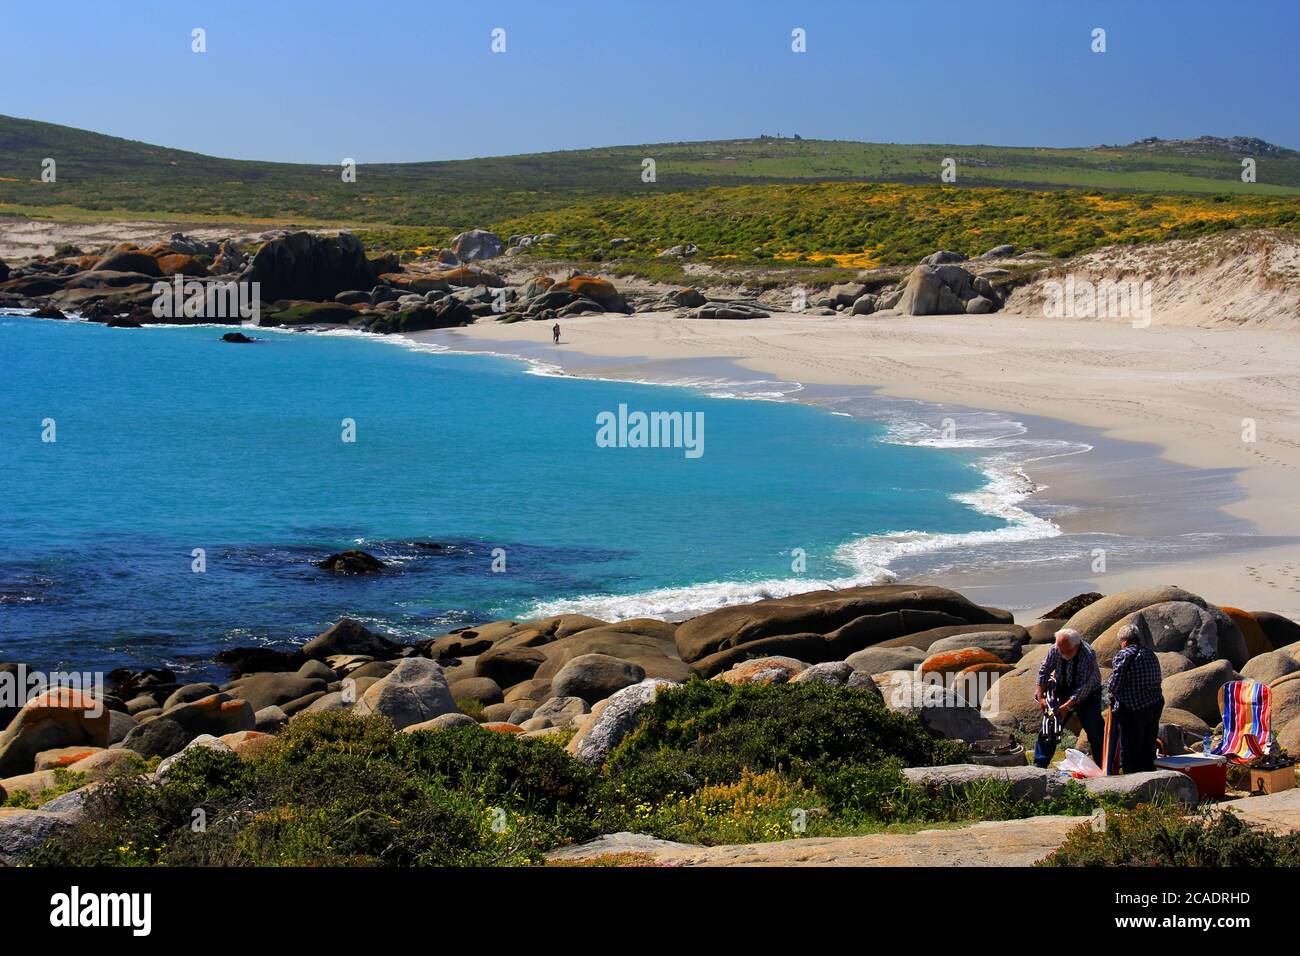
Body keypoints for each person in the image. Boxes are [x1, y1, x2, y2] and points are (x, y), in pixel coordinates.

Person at [1033, 628, 1106, 769]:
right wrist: (1041, 697)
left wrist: (1066, 707)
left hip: (1088, 694)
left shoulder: (1088, 655)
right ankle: (1039, 763)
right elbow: (1044, 671)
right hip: (1063, 688)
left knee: (1094, 730)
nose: (1060, 653)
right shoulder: (1056, 649)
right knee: (1049, 726)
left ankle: (1103, 766)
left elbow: (1084, 687)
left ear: (1076, 646)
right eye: (1059, 649)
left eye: (1065, 651)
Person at [1107, 622, 1165, 773]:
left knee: (1131, 750)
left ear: (1124, 641)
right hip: (1154, 705)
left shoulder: (1124, 655)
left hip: (1133, 709)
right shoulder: (1150, 654)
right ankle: (1150, 779)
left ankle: (1132, 782)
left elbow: (1114, 684)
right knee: (1148, 747)